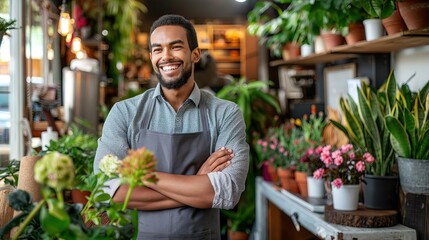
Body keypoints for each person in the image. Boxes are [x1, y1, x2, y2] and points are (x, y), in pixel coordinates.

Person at [94, 14, 249, 239]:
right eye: (157, 50)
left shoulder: (225, 113)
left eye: (175, 47)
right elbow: (107, 190)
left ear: (195, 54)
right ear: (151, 57)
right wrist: (199, 183)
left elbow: (228, 191)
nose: (166, 56)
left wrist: (143, 175)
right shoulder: (125, 113)